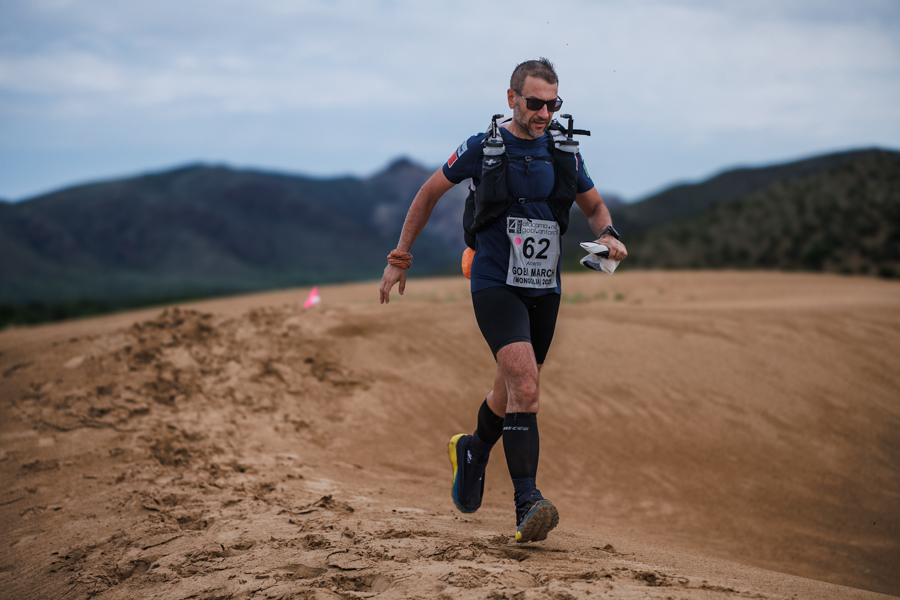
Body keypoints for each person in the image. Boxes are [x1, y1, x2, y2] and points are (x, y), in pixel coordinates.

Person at [379, 58, 627, 543]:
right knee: (527, 387)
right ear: (511, 98)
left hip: (545, 287)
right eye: (534, 103)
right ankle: (527, 503)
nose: (543, 113)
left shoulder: (565, 153)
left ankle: (473, 449)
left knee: (511, 390)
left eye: (553, 104)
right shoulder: (482, 148)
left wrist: (609, 233)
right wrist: (399, 257)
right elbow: (428, 193)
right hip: (494, 280)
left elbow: (594, 206)